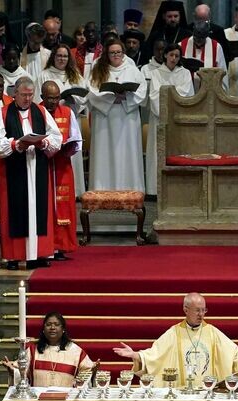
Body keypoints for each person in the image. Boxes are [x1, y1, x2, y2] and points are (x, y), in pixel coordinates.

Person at [114, 292, 238, 388]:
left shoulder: (213, 332)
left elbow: (231, 355)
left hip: (208, 390)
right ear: (186, 310)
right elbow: (154, 355)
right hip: (182, 391)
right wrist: (135, 355)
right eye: (197, 310)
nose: (201, 314)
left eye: (204, 310)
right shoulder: (174, 333)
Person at [0, 76, 62, 267]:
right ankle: (14, 257)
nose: (28, 99)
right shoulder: (4, 113)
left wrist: (45, 142)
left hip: (37, 167)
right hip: (15, 169)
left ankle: (39, 254)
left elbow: (56, 137)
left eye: (30, 95)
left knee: (39, 210)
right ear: (15, 94)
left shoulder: (41, 111)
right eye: (24, 95)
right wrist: (15, 144)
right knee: (15, 211)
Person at [87, 38, 147, 191]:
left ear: (123, 52)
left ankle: (130, 189)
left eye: (118, 52)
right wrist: (111, 99)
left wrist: (125, 98)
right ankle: (103, 189)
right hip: (105, 119)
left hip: (127, 119)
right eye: (112, 53)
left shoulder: (132, 69)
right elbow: (91, 92)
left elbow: (141, 91)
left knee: (127, 154)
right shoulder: (99, 68)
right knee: (104, 154)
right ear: (107, 54)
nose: (116, 55)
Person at [145, 44, 194, 196]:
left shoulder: (184, 73)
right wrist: (165, 112)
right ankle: (154, 189)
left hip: (178, 119)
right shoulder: (156, 73)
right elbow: (154, 95)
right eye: (171, 55)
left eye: (177, 56)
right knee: (157, 152)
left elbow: (187, 93)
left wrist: (170, 98)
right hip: (160, 119)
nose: (174, 59)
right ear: (165, 55)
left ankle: (178, 188)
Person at [39, 82, 81, 257]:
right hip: (42, 166)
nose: (54, 102)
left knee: (64, 206)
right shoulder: (36, 112)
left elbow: (76, 139)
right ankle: (46, 247)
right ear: (42, 97)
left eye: (57, 98)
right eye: (50, 98)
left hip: (62, 167)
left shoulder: (67, 112)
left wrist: (69, 147)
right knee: (45, 205)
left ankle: (62, 245)